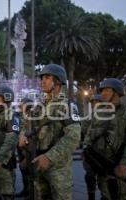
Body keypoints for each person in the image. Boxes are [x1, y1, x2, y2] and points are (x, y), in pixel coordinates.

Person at [19, 64, 81, 200]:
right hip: (38, 162)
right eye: (42, 78)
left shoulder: (67, 105)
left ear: (58, 81)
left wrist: (49, 157)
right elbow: (27, 123)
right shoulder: (39, 106)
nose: (43, 81)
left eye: (47, 77)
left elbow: (73, 137)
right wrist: (22, 134)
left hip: (58, 167)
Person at [84, 78, 126, 200]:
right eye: (102, 91)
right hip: (103, 171)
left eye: (107, 90)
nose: (103, 93)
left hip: (119, 171)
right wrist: (87, 154)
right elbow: (89, 136)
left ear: (116, 92)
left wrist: (124, 164)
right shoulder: (99, 114)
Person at [82, 94, 102, 200]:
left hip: (103, 152)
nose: (94, 104)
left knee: (104, 179)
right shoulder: (89, 117)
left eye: (96, 102)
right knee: (89, 176)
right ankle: (91, 196)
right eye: (92, 102)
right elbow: (84, 131)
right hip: (90, 151)